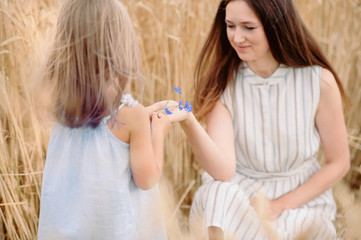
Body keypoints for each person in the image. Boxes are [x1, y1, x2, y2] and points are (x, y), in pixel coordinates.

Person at [150, 0, 350, 239]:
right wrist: (188, 120)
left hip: (301, 200)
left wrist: (281, 205)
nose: (236, 37)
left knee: (310, 229)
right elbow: (224, 171)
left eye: (248, 27)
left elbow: (339, 162)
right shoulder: (223, 84)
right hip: (243, 196)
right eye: (230, 26)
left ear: (277, 26)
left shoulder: (319, 81)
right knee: (217, 193)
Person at [37, 0, 172, 239]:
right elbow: (147, 178)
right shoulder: (132, 115)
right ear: (120, 47)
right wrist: (158, 131)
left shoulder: (62, 108)